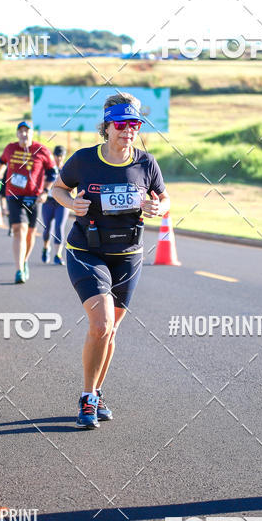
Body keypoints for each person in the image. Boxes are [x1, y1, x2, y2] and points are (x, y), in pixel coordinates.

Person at [52, 93, 170, 430]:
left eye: (134, 124)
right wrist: (69, 203)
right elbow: (57, 189)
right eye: (122, 124)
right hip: (86, 251)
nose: (129, 130)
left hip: (128, 256)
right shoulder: (84, 160)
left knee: (112, 330)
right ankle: (87, 398)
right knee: (101, 324)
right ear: (107, 127)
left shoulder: (146, 163)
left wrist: (160, 208)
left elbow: (164, 197)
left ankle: (98, 391)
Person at [0, 120, 56, 284]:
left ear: (31, 133)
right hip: (13, 195)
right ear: (17, 133)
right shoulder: (10, 148)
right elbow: (1, 162)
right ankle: (18, 270)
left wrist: (45, 191)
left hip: (34, 197)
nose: (24, 134)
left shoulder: (42, 150)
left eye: (27, 131)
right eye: (21, 131)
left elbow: (52, 172)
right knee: (19, 230)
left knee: (30, 233)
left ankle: (24, 261)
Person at [41, 145, 69, 265]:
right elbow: (41, 183)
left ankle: (58, 255)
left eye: (61, 156)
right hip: (48, 202)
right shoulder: (47, 169)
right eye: (57, 155)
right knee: (47, 228)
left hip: (61, 203)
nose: (59, 158)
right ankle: (46, 248)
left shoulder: (67, 169)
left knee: (59, 227)